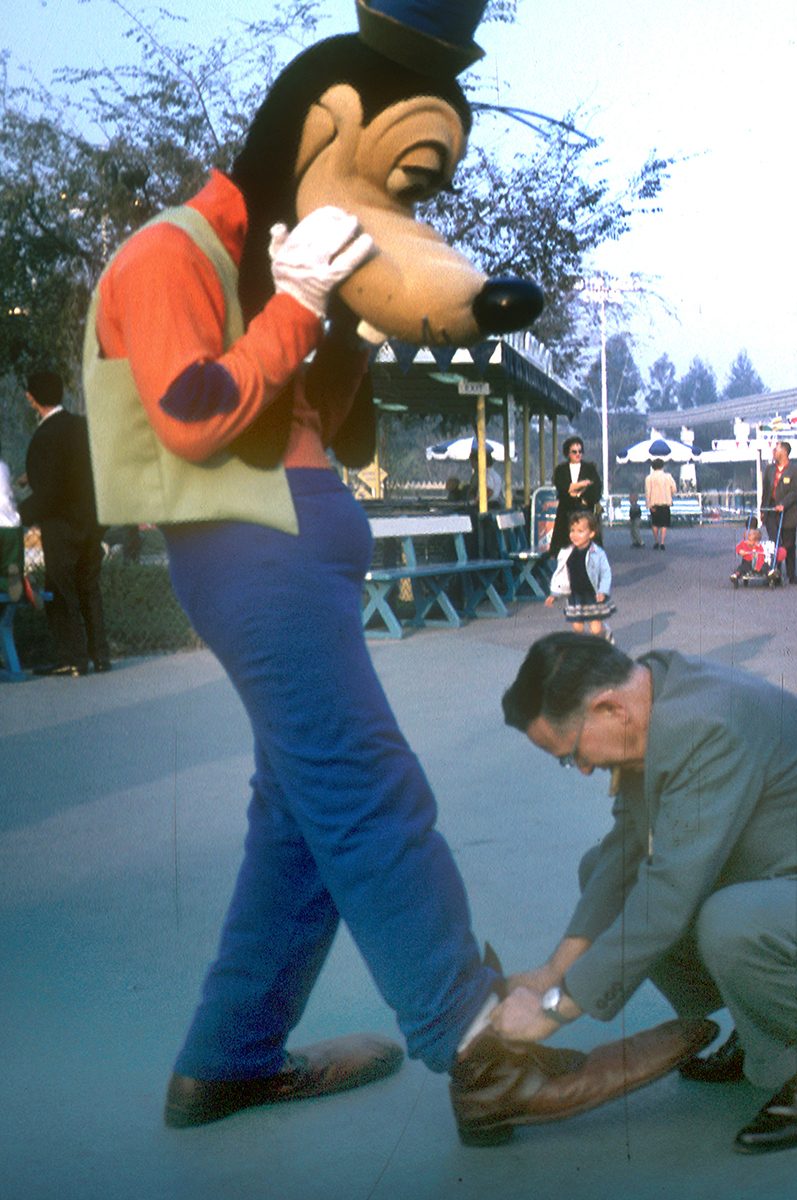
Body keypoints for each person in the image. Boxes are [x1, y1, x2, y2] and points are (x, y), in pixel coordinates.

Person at [83, 7, 702, 1139]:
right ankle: (480, 1052)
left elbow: (348, 439)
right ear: (319, 129)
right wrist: (297, 306)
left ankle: (227, 1057)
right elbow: (192, 416)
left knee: (301, 823)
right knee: (367, 788)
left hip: (298, 552)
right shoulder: (165, 255)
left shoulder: (267, 267)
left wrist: (338, 332)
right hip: (249, 552)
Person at [494, 633, 797, 1156]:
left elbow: (666, 897)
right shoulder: (653, 695)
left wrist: (553, 1009)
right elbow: (624, 854)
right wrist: (553, 972)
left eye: (571, 754)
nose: (584, 769)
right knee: (604, 869)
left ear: (609, 707)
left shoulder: (706, 727)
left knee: (727, 922)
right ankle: (762, 1028)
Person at [19, 371, 111, 676]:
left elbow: (51, 492)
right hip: (90, 520)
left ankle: (72, 657)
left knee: (61, 590)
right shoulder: (83, 428)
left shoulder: (43, 438)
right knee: (90, 589)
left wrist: (19, 514)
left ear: (33, 399)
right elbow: (78, 472)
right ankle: (100, 656)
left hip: (61, 525)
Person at [546, 510, 614, 638]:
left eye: (580, 531)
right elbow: (561, 575)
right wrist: (554, 594)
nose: (575, 535)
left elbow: (606, 573)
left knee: (595, 629)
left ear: (591, 533)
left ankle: (605, 635)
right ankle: (582, 648)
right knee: (577, 628)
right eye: (572, 530)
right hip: (575, 595)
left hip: (593, 595)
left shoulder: (597, 553)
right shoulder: (566, 552)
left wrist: (603, 591)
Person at [760, 440, 797, 583]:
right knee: (774, 543)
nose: (773, 452)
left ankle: (791, 574)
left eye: (776, 449)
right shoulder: (769, 469)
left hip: (788, 512)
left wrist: (783, 504)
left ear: (784, 452)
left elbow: (795, 492)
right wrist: (762, 509)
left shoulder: (795, 471)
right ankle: (775, 573)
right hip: (771, 510)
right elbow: (766, 491)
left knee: (789, 544)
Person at [549, 436, 601, 552]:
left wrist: (577, 494)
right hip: (565, 512)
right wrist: (582, 484)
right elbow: (562, 487)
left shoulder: (590, 468)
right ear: (568, 453)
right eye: (574, 452)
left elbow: (596, 489)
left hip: (585, 511)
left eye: (580, 451)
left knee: (586, 546)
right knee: (564, 547)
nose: (578, 454)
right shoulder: (561, 470)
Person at [1, 437, 22, 603]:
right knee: (10, 565)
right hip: (13, 526)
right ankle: (17, 579)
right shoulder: (4, 467)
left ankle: (7, 583)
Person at [644, 457, 677, 550]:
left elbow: (648, 492)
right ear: (662, 466)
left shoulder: (649, 478)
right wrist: (669, 494)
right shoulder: (668, 476)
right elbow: (674, 488)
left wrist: (648, 504)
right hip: (665, 502)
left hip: (654, 503)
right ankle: (662, 542)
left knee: (655, 523)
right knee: (664, 523)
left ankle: (656, 541)